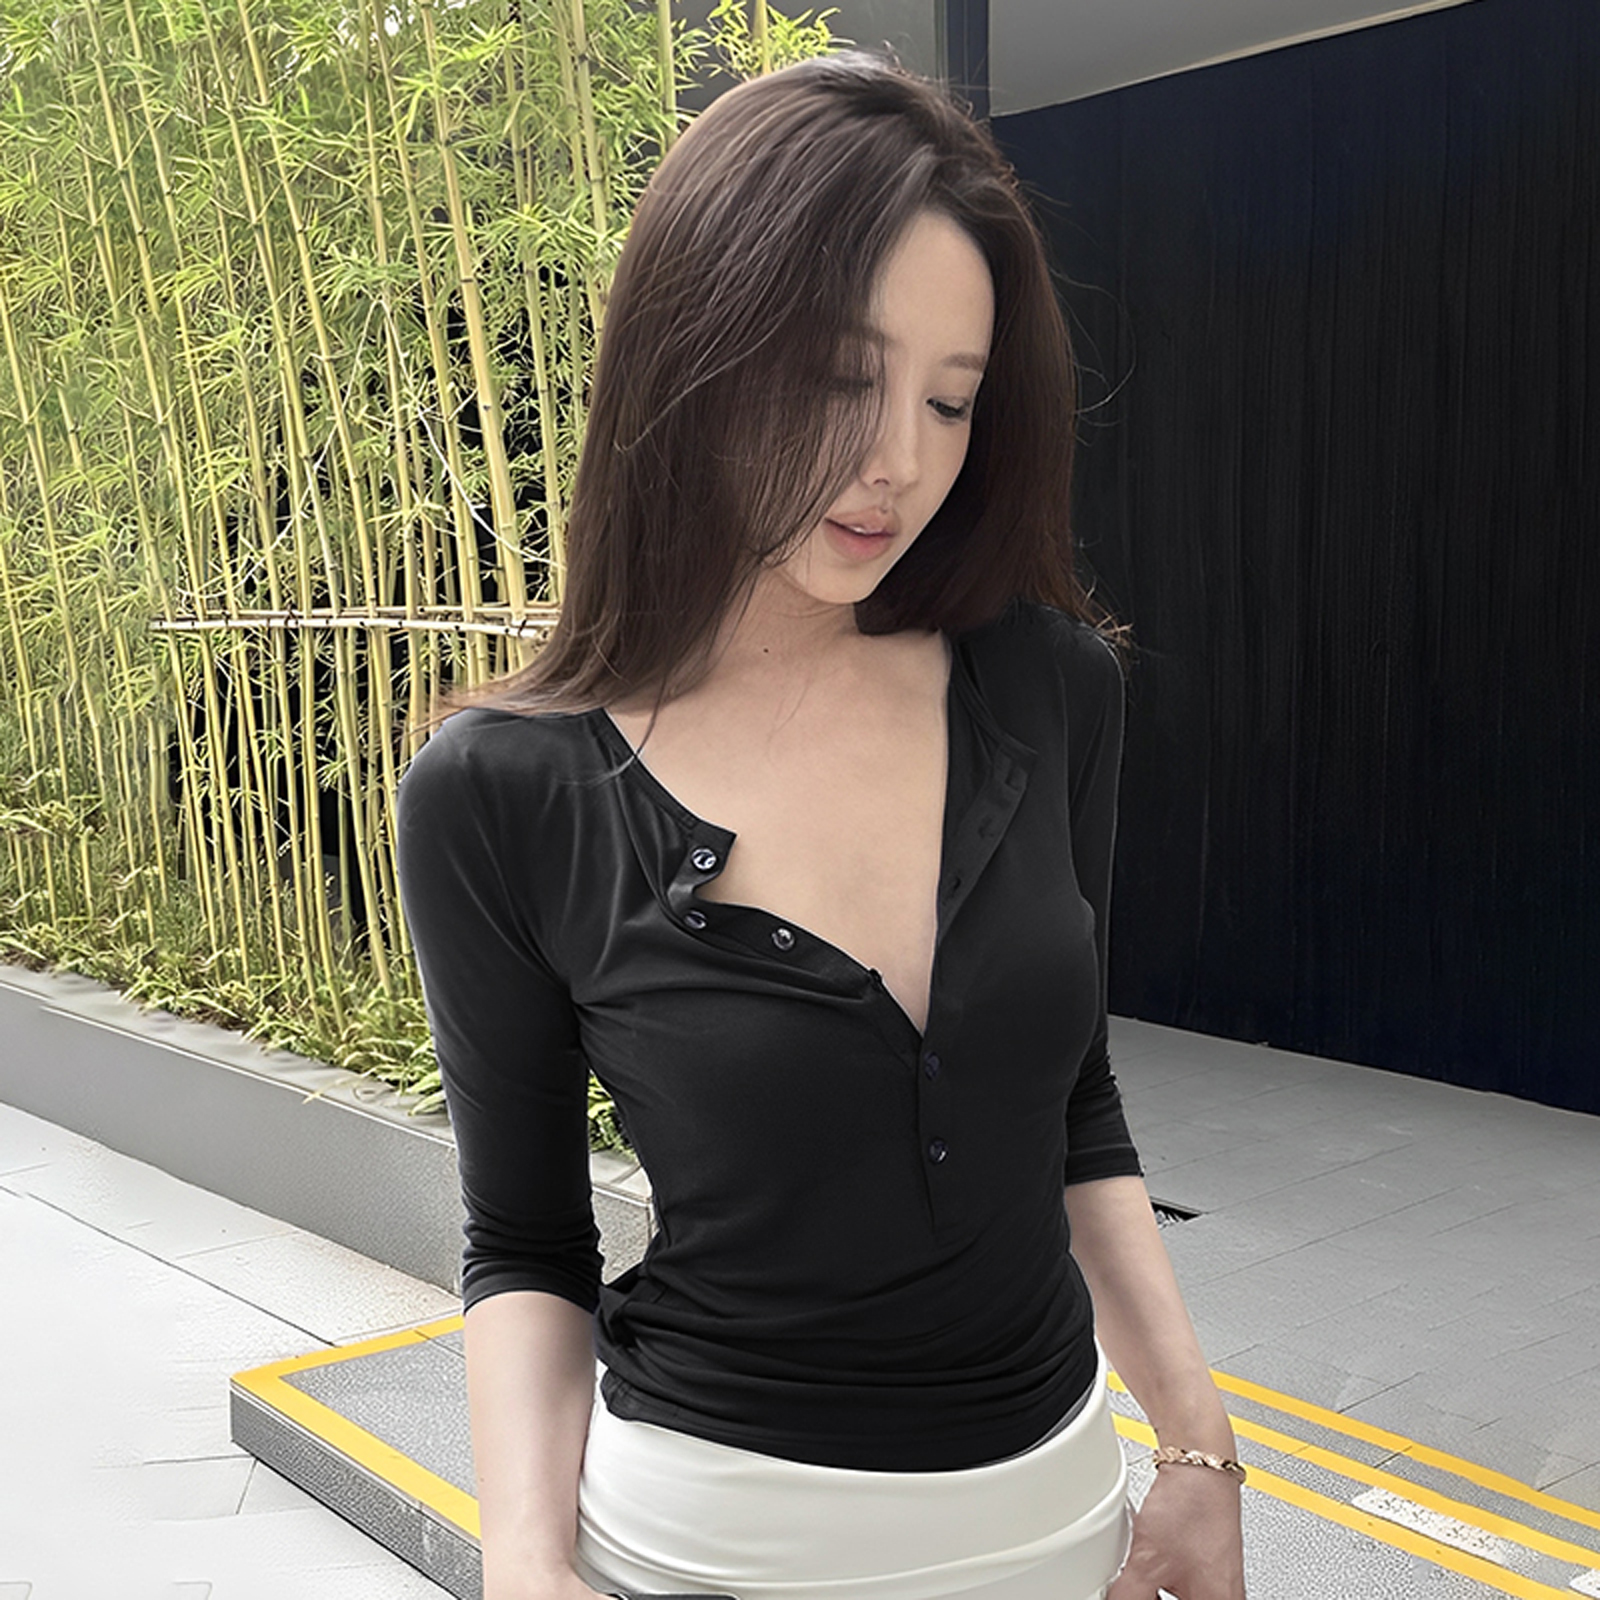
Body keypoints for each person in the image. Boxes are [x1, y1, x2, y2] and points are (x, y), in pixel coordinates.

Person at [395, 49, 1247, 1600]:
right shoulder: (504, 790)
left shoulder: (1046, 686)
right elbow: (524, 1242)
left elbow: (1073, 1103)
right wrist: (524, 1562)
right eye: (845, 379)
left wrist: (1197, 1450)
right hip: (705, 1545)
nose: (900, 461)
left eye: (950, 399)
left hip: (1057, 1525)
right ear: (695, 343)